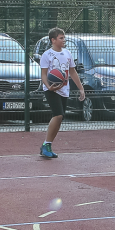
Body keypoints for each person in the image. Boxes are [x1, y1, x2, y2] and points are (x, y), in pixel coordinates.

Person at [39, 27, 85, 158]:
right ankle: (46, 144)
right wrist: (48, 86)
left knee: (60, 118)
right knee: (58, 115)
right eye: (61, 38)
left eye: (64, 37)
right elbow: (43, 74)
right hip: (51, 89)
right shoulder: (47, 55)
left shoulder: (67, 53)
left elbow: (72, 72)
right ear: (53, 40)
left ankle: (46, 145)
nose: (64, 40)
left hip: (64, 89)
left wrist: (81, 88)